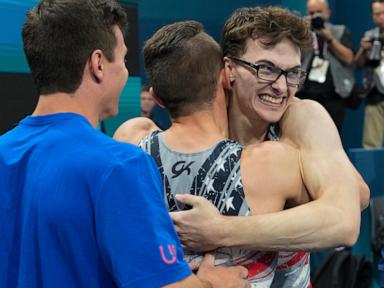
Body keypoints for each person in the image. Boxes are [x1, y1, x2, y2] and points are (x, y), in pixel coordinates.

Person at [0, 1, 249, 288]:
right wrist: (212, 284)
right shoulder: (119, 165)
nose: (125, 72)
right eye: (123, 59)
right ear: (98, 64)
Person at [114, 10, 367, 286]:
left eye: (292, 73)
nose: (281, 87)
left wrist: (220, 230)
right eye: (266, 69)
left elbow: (347, 217)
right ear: (229, 69)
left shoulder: (300, 117)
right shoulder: (184, 123)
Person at [296, 0, 355, 134]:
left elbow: (349, 58)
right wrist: (301, 33)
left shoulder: (340, 31)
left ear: (328, 13)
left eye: (319, 12)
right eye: (311, 13)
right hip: (306, 95)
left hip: (333, 97)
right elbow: (294, 57)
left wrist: (330, 39)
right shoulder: (304, 33)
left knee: (332, 137)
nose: (315, 16)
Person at [355, 0, 384, 148]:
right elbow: (358, 64)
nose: (381, 17)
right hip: (375, 93)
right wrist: (363, 49)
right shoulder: (370, 35)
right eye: (377, 14)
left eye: (383, 12)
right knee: (371, 144)